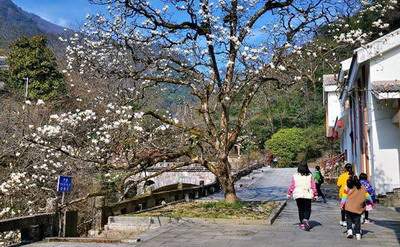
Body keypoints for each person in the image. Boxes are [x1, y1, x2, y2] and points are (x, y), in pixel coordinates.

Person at [340, 176, 374, 240]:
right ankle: (358, 234)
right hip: (358, 207)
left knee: (349, 219)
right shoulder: (363, 188)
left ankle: (349, 231)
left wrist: (342, 205)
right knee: (357, 220)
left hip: (348, 207)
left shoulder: (348, 187)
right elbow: (368, 197)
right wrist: (372, 202)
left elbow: (344, 198)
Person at [287, 161, 318, 231]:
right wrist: (315, 194)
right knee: (308, 208)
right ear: (306, 167)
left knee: (300, 209)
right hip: (307, 194)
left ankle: (302, 223)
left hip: (298, 194)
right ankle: (306, 219)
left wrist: (289, 193)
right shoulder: (310, 175)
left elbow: (292, 186)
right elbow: (313, 186)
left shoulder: (295, 176)